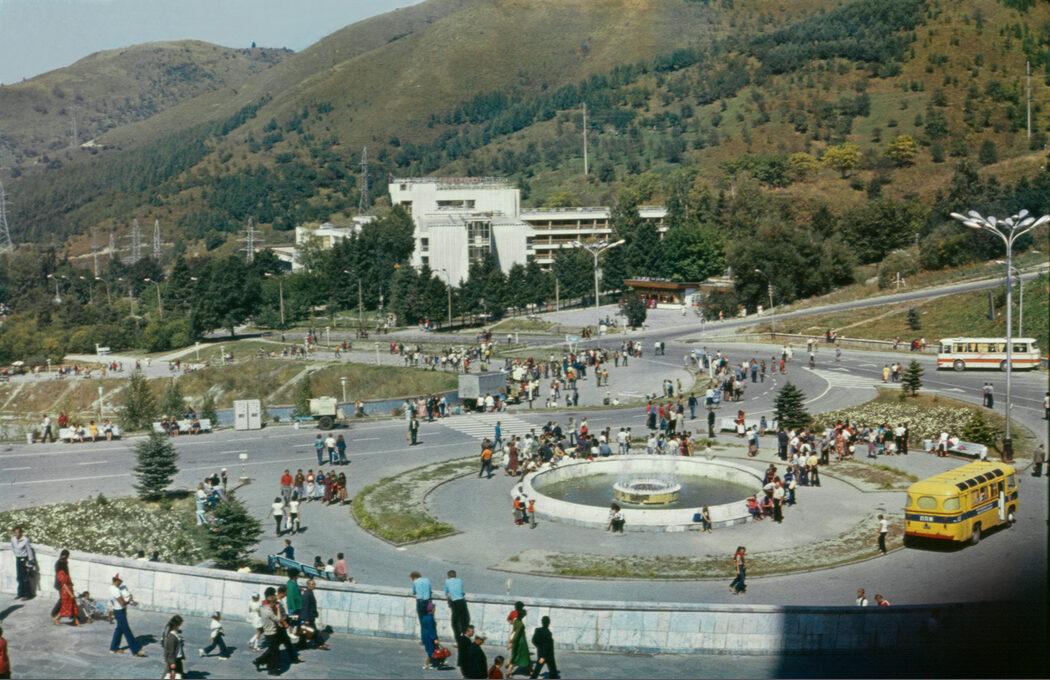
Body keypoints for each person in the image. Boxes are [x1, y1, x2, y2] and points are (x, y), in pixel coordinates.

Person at [109, 574, 145, 656]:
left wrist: (129, 599)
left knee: (119, 629)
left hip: (120, 610)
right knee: (126, 630)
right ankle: (136, 650)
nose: (121, 583)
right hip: (119, 612)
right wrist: (129, 600)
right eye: (120, 581)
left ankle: (113, 648)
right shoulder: (115, 590)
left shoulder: (113, 588)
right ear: (117, 580)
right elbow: (122, 603)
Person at [253, 588, 282, 675]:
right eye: (274, 603)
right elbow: (278, 619)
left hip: (267, 633)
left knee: (272, 650)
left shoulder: (262, 608)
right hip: (272, 633)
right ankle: (272, 670)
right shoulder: (269, 611)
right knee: (274, 653)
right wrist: (278, 609)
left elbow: (259, 613)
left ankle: (259, 661)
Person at [300, 579, 330, 650]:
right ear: (308, 585)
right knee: (314, 631)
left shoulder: (310, 592)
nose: (314, 585)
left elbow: (312, 605)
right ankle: (320, 644)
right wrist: (306, 619)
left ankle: (302, 644)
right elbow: (305, 607)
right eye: (312, 584)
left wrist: (315, 613)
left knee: (307, 631)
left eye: (314, 584)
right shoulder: (307, 594)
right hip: (308, 617)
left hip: (311, 616)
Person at [52, 550, 79, 626]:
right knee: (63, 601)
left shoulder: (64, 562)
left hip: (66, 584)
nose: (67, 558)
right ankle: (55, 614)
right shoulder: (59, 564)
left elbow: (67, 574)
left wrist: (70, 582)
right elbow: (61, 577)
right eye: (67, 556)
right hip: (61, 584)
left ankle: (74, 619)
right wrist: (70, 592)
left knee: (67, 601)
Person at [506, 602, 532, 677]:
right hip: (519, 640)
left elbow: (510, 620)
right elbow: (516, 633)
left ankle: (510, 671)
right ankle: (509, 672)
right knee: (522, 655)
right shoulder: (519, 623)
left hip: (519, 639)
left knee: (516, 655)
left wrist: (513, 622)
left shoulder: (515, 616)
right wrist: (511, 642)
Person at [444, 570, 470, 639]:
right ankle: (464, 634)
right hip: (462, 601)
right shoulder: (459, 580)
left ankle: (458, 637)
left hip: (455, 602)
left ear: (448, 576)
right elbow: (462, 592)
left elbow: (446, 592)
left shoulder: (447, 581)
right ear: (455, 575)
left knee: (455, 621)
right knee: (464, 619)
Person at [10, 527, 35, 600]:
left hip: (25, 559)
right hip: (18, 559)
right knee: (19, 577)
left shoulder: (25, 540)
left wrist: (30, 561)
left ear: (21, 533)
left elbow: (29, 550)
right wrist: (16, 556)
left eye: (18, 532)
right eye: (15, 532)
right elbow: (13, 548)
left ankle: (28, 595)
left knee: (25, 578)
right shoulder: (13, 539)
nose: (16, 534)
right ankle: (20, 593)